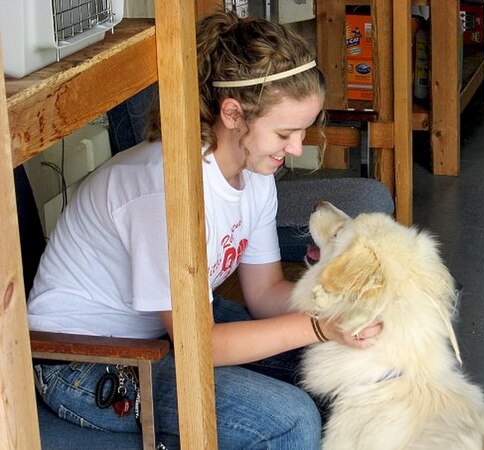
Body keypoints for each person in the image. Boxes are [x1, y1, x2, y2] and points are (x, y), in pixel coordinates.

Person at [28, 9, 382, 449]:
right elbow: (202, 348)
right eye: (285, 133)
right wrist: (319, 327)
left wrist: (351, 310)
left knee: (360, 365)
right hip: (82, 362)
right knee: (290, 421)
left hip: (168, 332)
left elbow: (265, 291)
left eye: (303, 132)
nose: (295, 149)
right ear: (233, 114)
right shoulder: (167, 191)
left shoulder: (254, 176)